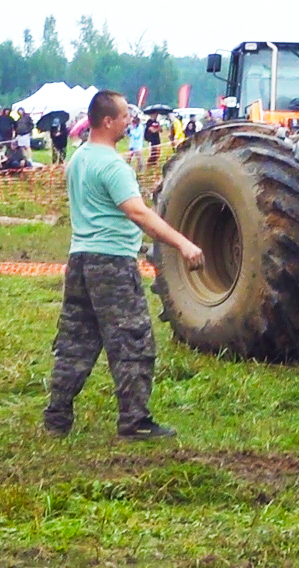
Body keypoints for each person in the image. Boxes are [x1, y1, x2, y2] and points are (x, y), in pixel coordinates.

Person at [43, 89, 204, 441]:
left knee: (75, 340)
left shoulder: (79, 159)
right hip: (112, 263)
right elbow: (138, 213)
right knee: (132, 341)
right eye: (123, 117)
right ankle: (135, 420)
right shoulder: (112, 165)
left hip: (80, 259)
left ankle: (57, 415)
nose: (129, 122)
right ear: (107, 121)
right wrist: (183, 243)